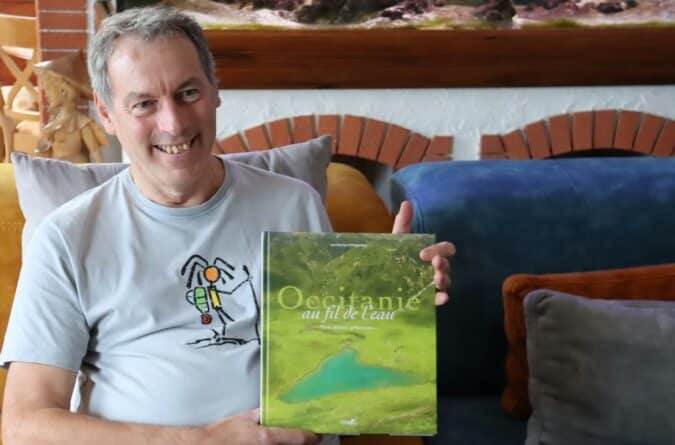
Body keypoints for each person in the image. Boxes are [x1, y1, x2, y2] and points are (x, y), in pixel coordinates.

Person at [0, 6, 455, 445]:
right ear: (106, 114)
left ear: (215, 90)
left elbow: (337, 362)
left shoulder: (294, 203)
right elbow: (24, 427)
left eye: (188, 93)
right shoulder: (67, 238)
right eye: (144, 104)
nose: (173, 123)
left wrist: (391, 299)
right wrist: (201, 441)